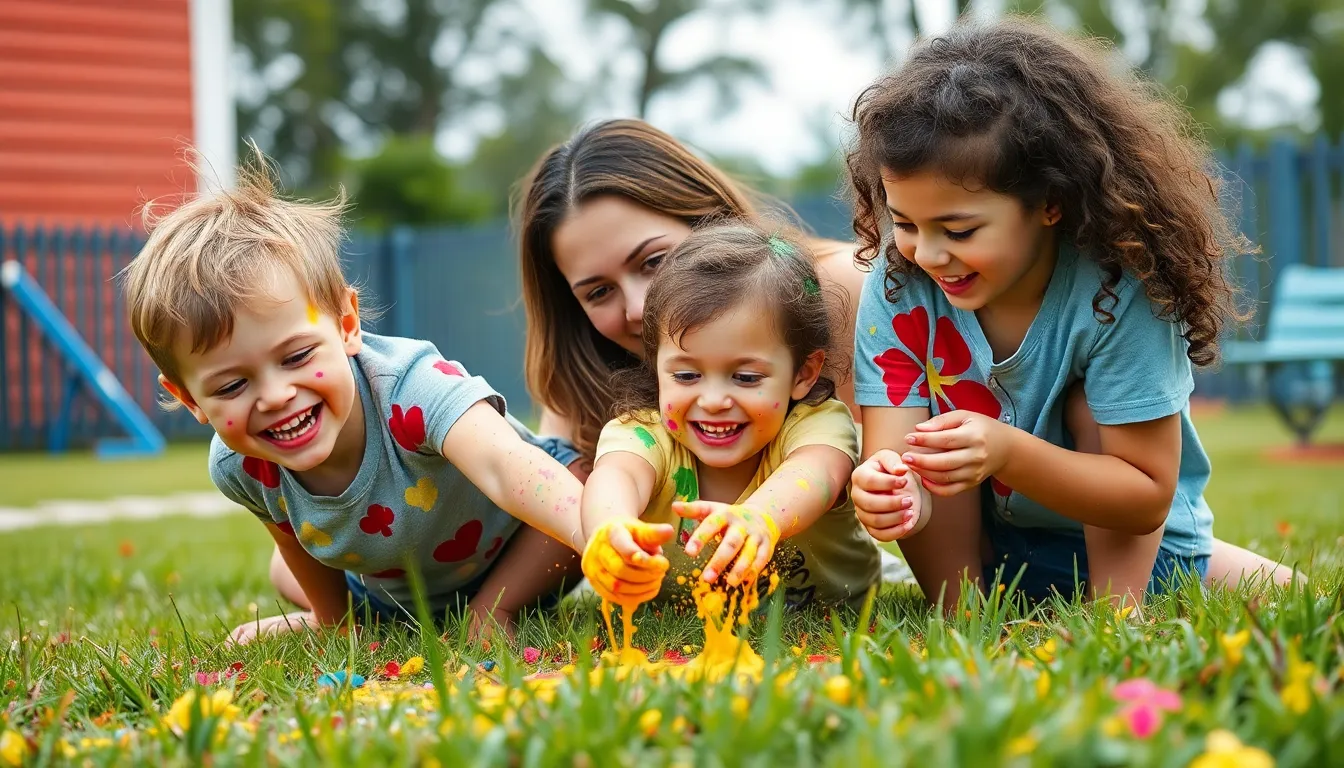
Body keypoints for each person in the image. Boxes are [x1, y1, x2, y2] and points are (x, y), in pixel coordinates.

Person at [516, 116, 1297, 595]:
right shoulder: (596, 365)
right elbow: (586, 478)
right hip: (970, 549)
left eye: (653, 261)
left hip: (1017, 519)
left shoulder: (848, 288)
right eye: (595, 289)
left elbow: (847, 459)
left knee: (1198, 570)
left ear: (712, 217)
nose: (639, 308)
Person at [844, 17, 1299, 609]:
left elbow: (1145, 496)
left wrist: (1006, 451)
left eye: (958, 229)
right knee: (936, 438)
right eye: (904, 224)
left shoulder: (1116, 289)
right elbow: (898, 458)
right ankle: (961, 616)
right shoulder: (902, 282)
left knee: (1299, 599)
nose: (927, 253)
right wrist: (888, 490)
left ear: (1049, 204)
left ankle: (1117, 616)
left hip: (1147, 551)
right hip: (991, 553)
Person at [122, 148, 587, 644]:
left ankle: (493, 610)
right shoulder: (238, 465)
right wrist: (332, 623)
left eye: (297, 356)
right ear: (190, 399)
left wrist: (595, 533)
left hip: (523, 548)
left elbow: (503, 464)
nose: (276, 396)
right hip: (397, 588)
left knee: (583, 484)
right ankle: (361, 620)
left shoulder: (414, 389)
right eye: (232, 386)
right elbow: (294, 537)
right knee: (284, 569)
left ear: (346, 323)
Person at [578, 222, 881, 611]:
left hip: (836, 607)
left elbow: (816, 474)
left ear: (803, 374)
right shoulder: (643, 434)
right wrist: (611, 528)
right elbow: (615, 477)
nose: (715, 400)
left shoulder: (816, 424)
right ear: (656, 368)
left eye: (746, 377)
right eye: (686, 375)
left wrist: (761, 519)